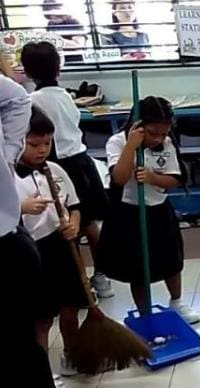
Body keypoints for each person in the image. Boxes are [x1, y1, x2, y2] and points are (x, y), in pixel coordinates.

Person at [0, 71, 91, 388]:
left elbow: (13, 97)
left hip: (2, 248)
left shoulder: (12, 103)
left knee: (26, 379)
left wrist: (10, 150)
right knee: (6, 382)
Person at [20, 41, 114, 302]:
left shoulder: (32, 100)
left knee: (66, 227)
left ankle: (82, 283)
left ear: (27, 72)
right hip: (81, 162)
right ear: (58, 68)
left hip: (59, 166)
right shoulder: (65, 96)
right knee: (89, 223)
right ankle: (101, 277)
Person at [96, 96, 200, 324]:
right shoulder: (117, 142)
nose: (158, 139)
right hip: (128, 213)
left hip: (158, 210)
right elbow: (119, 178)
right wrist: (131, 147)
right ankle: (145, 314)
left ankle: (177, 302)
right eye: (153, 133)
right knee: (138, 268)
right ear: (137, 126)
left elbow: (175, 179)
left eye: (163, 133)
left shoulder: (167, 144)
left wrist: (153, 178)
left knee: (171, 260)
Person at [15, 107, 87, 388]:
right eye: (34, 144)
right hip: (31, 250)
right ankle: (43, 375)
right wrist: (21, 208)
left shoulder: (55, 170)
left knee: (71, 305)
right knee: (41, 317)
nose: (42, 150)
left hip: (60, 245)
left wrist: (74, 225)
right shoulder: (8, 178)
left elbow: (76, 206)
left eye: (47, 143)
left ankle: (72, 355)